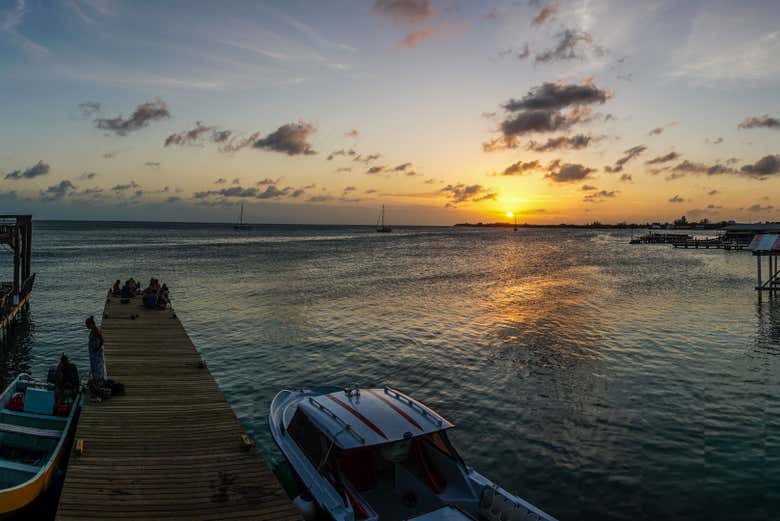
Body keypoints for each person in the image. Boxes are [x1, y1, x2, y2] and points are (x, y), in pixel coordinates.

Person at [85, 316, 107, 393]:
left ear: (91, 324)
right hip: (93, 353)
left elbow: (102, 340)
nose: (86, 326)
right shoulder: (93, 330)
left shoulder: (96, 330)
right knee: (95, 366)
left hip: (96, 352)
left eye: (87, 324)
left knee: (98, 366)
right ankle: (97, 380)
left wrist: (97, 349)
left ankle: (99, 380)